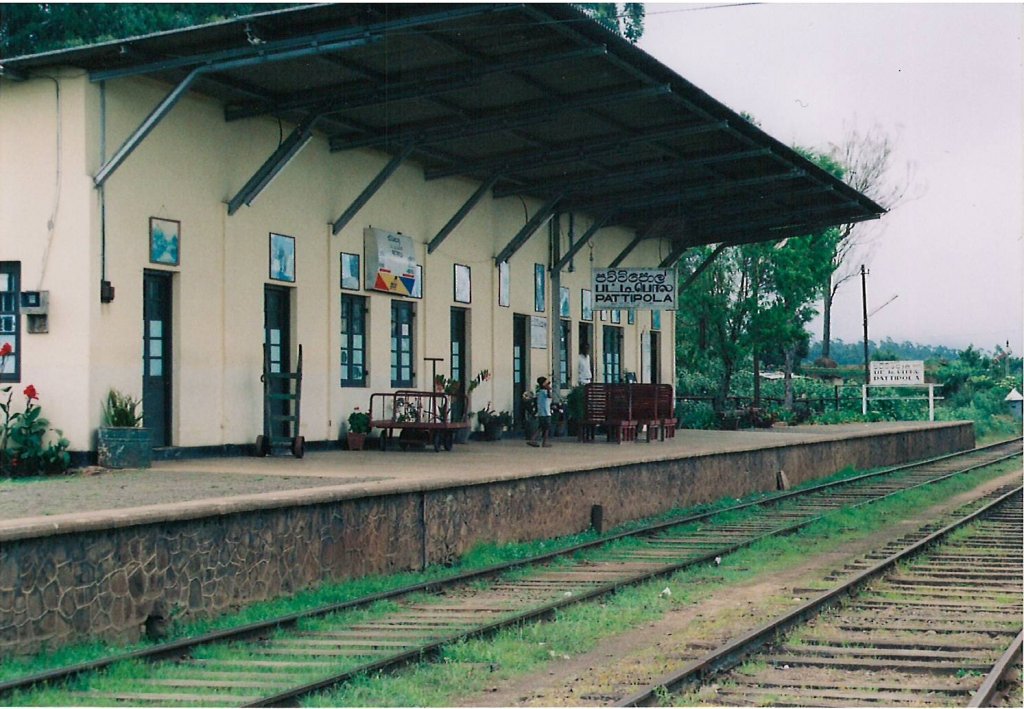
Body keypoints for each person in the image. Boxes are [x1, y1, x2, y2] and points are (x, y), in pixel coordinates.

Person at [527, 376, 553, 448]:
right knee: (546, 428)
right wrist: (548, 390)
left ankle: (532, 439)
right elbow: (549, 396)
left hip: (541, 412)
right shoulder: (545, 392)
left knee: (541, 427)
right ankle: (544, 442)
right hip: (546, 412)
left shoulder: (539, 392)